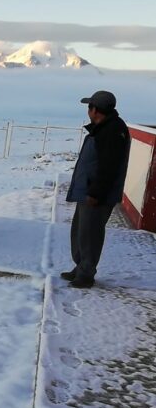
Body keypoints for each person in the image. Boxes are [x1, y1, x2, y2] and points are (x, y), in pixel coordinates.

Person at [62, 90, 130, 288]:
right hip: (88, 191)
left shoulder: (113, 131)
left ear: (95, 110)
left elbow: (109, 166)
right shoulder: (103, 127)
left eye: (89, 107)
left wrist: (96, 193)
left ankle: (86, 273)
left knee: (90, 234)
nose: (88, 111)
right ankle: (81, 267)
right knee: (81, 232)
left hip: (95, 194)